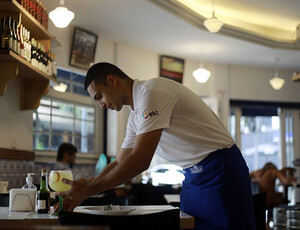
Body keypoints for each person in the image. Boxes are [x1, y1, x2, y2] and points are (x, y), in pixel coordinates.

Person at [57, 62, 256, 230]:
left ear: (112, 80)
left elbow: (140, 160)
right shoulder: (135, 116)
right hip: (193, 177)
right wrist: (85, 192)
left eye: (99, 96)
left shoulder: (151, 93)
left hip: (221, 170)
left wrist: (89, 191)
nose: (100, 104)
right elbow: (120, 161)